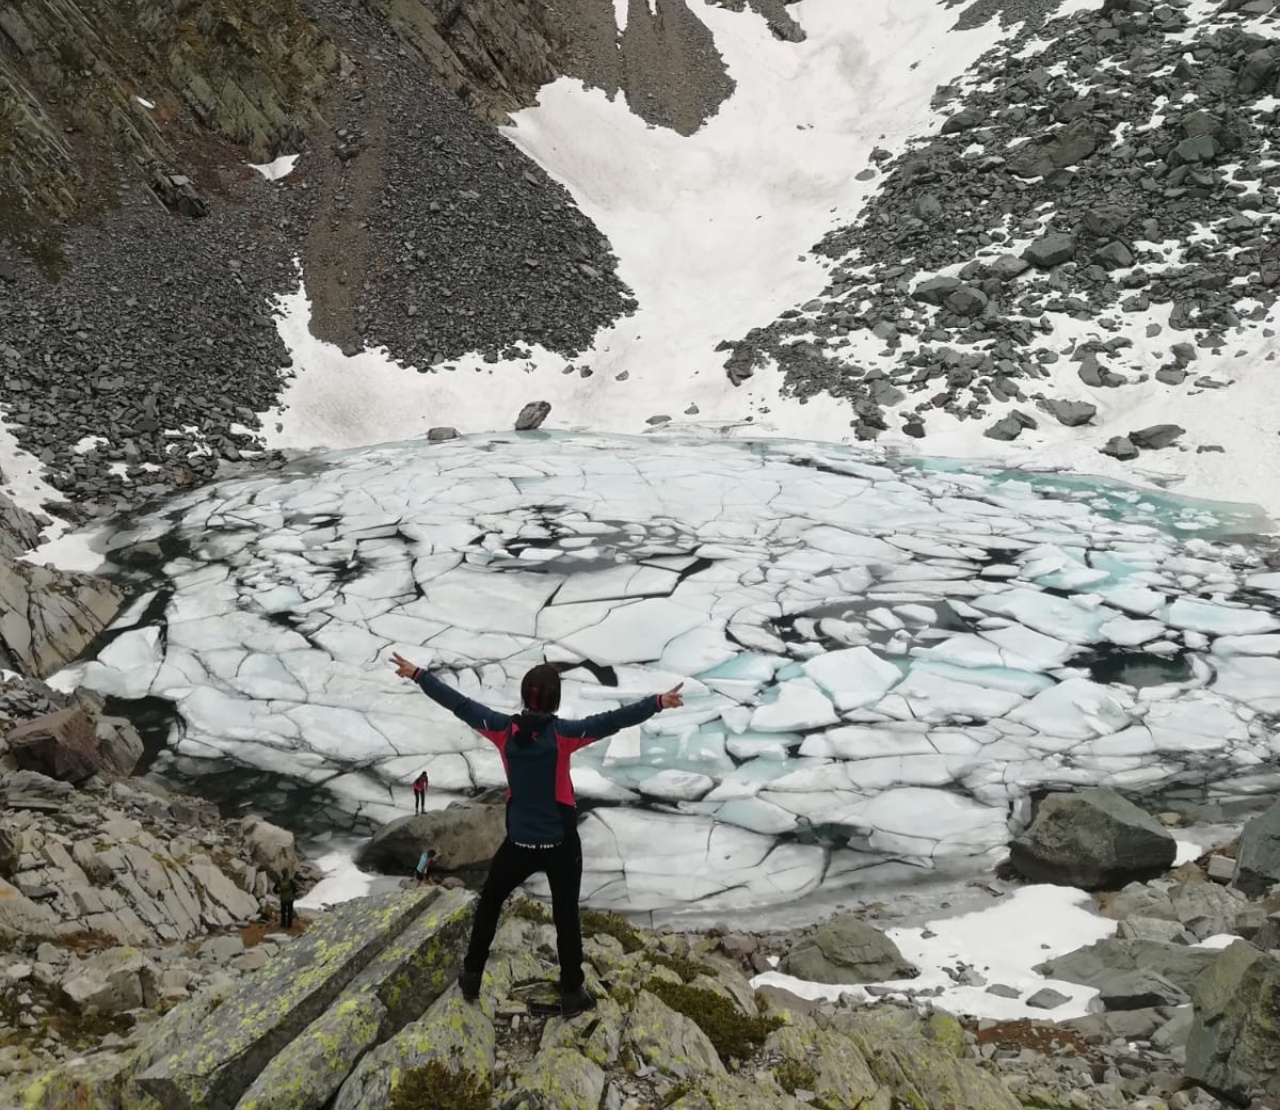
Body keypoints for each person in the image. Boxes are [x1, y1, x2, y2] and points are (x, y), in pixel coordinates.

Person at [391, 651, 683, 1017]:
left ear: (523, 695)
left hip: (519, 844)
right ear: (556, 699)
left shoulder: (502, 729)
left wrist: (419, 674)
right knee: (566, 917)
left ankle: (471, 975)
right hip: (559, 844)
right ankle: (572, 992)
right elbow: (612, 721)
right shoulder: (563, 735)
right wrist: (656, 702)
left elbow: (460, 704)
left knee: (490, 904)